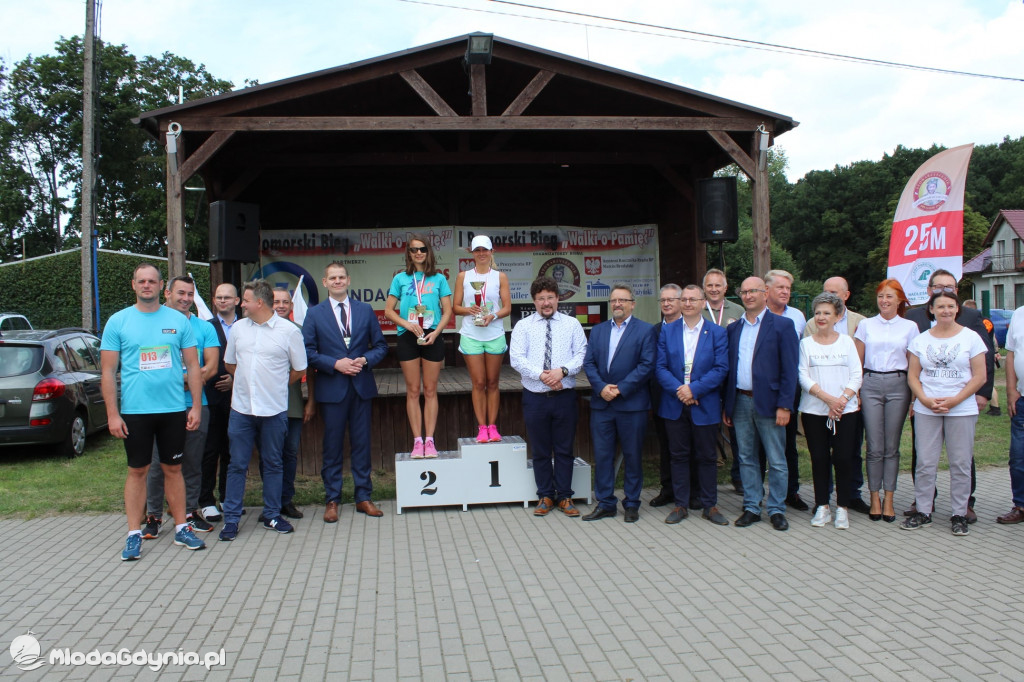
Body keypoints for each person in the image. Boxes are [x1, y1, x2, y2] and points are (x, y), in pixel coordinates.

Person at [100, 263, 205, 560]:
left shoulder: (178, 321)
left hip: (173, 409)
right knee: (137, 471)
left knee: (174, 469)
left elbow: (194, 366)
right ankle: (134, 534)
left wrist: (195, 406)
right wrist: (112, 414)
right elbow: (107, 372)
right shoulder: (118, 322)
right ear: (133, 285)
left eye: (152, 281)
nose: (147, 285)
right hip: (135, 412)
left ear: (161, 286)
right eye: (141, 281)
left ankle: (182, 527)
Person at [218, 280, 307, 541]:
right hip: (242, 409)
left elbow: (299, 369)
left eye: (245, 300)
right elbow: (230, 364)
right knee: (237, 465)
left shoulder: (289, 331)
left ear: (259, 302)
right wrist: (249, 384)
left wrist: (274, 385)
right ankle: (231, 520)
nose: (240, 304)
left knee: (273, 463)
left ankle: (271, 514)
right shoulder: (238, 329)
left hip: (274, 410)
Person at [904, 269, 994, 523]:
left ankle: (959, 513)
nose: (945, 310)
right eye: (940, 306)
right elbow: (913, 375)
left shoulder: (971, 338)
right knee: (925, 462)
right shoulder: (920, 340)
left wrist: (956, 400)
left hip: (961, 408)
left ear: (957, 309)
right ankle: (923, 510)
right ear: (931, 309)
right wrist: (924, 399)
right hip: (927, 408)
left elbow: (980, 376)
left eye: (950, 306)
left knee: (961, 463)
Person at [303, 262, 389, 522]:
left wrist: (363, 360)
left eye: (341, 277)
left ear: (349, 280)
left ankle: (363, 497)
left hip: (361, 387)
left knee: (362, 445)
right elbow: (307, 351)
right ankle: (332, 499)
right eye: (333, 278)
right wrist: (334, 364)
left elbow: (381, 346)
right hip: (332, 389)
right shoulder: (314, 314)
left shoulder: (364, 310)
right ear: (325, 282)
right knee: (332, 446)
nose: (338, 281)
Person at [142, 276, 220, 539]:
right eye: (180, 293)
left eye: (190, 294)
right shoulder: (153, 323)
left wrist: (189, 380)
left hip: (196, 405)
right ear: (167, 293)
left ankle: (189, 512)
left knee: (192, 463)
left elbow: (210, 365)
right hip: (159, 406)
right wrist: (178, 379)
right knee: (155, 464)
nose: (186, 299)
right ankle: (153, 515)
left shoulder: (204, 328)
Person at [723, 276, 798, 531]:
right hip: (741, 401)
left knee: (777, 459)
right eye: (743, 292)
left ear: (765, 293)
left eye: (753, 291)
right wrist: (728, 405)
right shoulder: (734, 329)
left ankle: (776, 509)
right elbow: (729, 370)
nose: (748, 296)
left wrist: (785, 405)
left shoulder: (782, 326)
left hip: (771, 403)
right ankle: (752, 506)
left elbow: (790, 370)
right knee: (745, 457)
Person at [510, 276, 588, 518]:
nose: (546, 302)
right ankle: (545, 495)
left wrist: (561, 372)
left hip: (564, 396)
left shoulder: (572, 324)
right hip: (535, 396)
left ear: (558, 299)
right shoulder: (523, 326)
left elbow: (582, 353)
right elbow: (516, 358)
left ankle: (565, 496)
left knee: (564, 449)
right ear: (534, 301)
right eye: (541, 298)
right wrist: (542, 376)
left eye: (550, 298)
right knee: (541, 449)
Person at [656, 284, 729, 526]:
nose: (687, 303)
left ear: (702, 302)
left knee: (707, 456)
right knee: (678, 456)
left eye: (692, 299)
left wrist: (694, 389)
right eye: (684, 299)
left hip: (704, 404)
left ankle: (710, 505)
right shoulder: (668, 331)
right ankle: (680, 505)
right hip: (675, 403)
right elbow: (660, 367)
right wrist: (682, 391)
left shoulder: (716, 332)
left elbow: (721, 369)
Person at [581, 284, 655, 523]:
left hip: (632, 405)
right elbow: (589, 363)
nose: (617, 304)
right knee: (603, 456)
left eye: (622, 300)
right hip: (602, 404)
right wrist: (602, 387)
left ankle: (632, 503)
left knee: (632, 456)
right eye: (614, 300)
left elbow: (646, 365)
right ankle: (605, 503)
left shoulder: (645, 331)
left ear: (633, 304)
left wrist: (621, 388)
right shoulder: (599, 330)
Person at [854, 279, 918, 522]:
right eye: (881, 296)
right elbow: (857, 362)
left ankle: (889, 498)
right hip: (870, 384)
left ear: (900, 299)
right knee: (874, 446)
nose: (884, 301)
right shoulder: (866, 325)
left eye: (890, 296)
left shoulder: (910, 327)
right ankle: (873, 497)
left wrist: (913, 398)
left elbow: (914, 364)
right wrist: (856, 392)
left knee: (891, 446)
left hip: (898, 385)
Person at [798, 292, 863, 530]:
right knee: (819, 459)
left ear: (837, 316)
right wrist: (828, 400)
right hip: (814, 411)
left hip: (846, 411)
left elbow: (856, 374)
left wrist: (842, 400)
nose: (821, 317)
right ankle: (822, 506)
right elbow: (803, 376)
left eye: (827, 313)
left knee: (844, 458)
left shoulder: (847, 342)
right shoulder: (806, 344)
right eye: (817, 313)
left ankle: (843, 507)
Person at [384, 235, 453, 457]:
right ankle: (417, 442)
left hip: (432, 336)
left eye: (422, 249)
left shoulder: (439, 279)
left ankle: (430, 441)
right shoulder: (400, 279)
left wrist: (436, 332)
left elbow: (448, 311)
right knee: (413, 390)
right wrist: (408, 324)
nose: (419, 253)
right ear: (409, 253)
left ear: (429, 251)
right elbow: (388, 311)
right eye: (414, 250)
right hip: (407, 336)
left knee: (431, 390)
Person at [453, 235, 512, 443]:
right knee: (478, 382)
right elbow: (455, 307)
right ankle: (482, 428)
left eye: (485, 250)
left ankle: (493, 427)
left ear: (491, 252)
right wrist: (469, 310)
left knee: (493, 382)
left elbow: (507, 307)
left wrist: (492, 315)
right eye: (477, 250)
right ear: (472, 253)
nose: (481, 254)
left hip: (494, 334)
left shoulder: (500, 277)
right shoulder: (463, 276)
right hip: (471, 335)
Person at [764, 269, 807, 511]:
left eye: (788, 288)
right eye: (780, 287)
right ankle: (756, 495)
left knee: (788, 441)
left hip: (788, 386)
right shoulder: (758, 314)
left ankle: (791, 491)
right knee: (760, 445)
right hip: (761, 387)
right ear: (766, 290)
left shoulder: (798, 316)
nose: (785, 292)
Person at [271, 287, 315, 518]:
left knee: (289, 454)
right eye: (276, 301)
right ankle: (271, 503)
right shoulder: (258, 330)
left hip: (293, 405)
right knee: (270, 455)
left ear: (291, 306)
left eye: (284, 302)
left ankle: (286, 500)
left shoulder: (299, 331)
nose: (280, 305)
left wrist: (311, 402)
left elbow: (310, 369)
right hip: (265, 406)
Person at [197, 282, 239, 523]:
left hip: (239, 398)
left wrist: (235, 379)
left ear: (237, 301)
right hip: (212, 398)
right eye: (219, 297)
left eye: (227, 297)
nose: (223, 301)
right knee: (210, 451)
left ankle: (227, 497)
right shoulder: (206, 327)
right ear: (214, 301)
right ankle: (206, 500)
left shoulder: (247, 326)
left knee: (231, 451)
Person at [701, 268, 744, 494]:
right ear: (704, 289)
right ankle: (703, 480)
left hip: (731, 378)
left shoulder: (738, 310)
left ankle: (739, 478)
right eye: (710, 285)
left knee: (736, 429)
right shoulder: (697, 309)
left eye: (718, 285)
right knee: (704, 430)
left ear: (726, 288)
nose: (714, 289)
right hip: (704, 379)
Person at [650, 284, 684, 507]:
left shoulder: (691, 328)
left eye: (671, 299)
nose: (667, 304)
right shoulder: (653, 331)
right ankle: (668, 489)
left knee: (687, 448)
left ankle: (691, 490)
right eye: (663, 300)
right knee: (666, 445)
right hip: (662, 398)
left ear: (682, 301)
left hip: (689, 396)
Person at [999, 305, 1024, 524]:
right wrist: (1011, 390)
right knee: (1018, 457)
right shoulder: (1019, 314)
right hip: (1022, 399)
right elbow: (1011, 354)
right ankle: (1021, 505)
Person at [963, 299, 1001, 416]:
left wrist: (994, 352)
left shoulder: (979, 322)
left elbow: (988, 339)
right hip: (987, 351)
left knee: (986, 381)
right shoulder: (987, 321)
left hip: (982, 354)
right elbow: (993, 338)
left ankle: (995, 407)